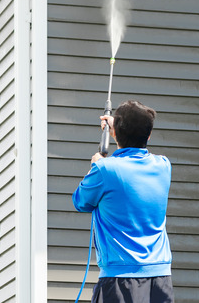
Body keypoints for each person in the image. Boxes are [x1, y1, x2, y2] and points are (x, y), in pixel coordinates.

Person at [72, 100, 174, 303]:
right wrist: (118, 129)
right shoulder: (163, 165)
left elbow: (81, 201)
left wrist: (95, 166)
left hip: (119, 278)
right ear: (149, 134)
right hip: (160, 277)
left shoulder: (104, 170)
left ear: (116, 132)